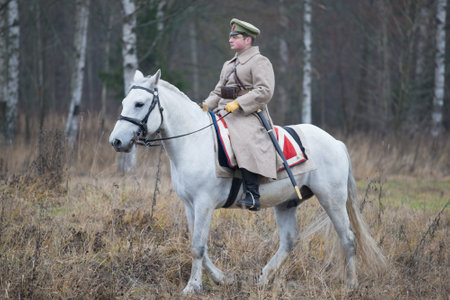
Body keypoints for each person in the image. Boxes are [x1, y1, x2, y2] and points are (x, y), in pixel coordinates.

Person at [202, 18, 277, 211]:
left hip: (248, 113)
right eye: (231, 37)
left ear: (248, 40)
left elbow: (264, 91)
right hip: (223, 110)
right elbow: (218, 91)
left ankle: (253, 194)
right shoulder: (228, 64)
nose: (230, 40)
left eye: (235, 37)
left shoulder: (259, 61)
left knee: (245, 140)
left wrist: (239, 104)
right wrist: (204, 106)